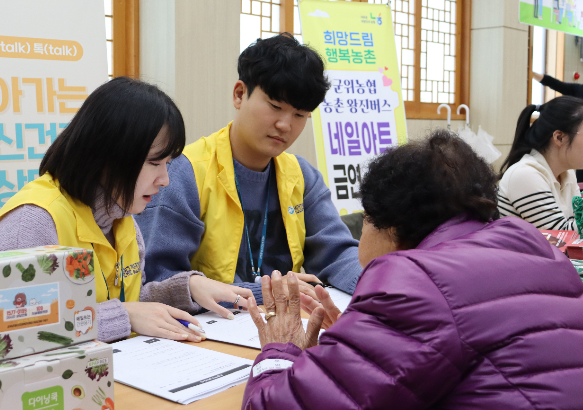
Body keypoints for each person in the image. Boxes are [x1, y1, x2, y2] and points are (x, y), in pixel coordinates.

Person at [241, 130, 583, 410]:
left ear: (388, 224)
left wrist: (280, 350)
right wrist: (360, 340)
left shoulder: (414, 280)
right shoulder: (535, 247)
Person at [0, 77, 253, 344]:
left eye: (167, 163)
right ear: (107, 156)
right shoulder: (35, 222)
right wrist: (124, 316)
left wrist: (187, 287)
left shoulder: (120, 215)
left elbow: (131, 298)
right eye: (154, 163)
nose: (164, 180)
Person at [136, 33, 362, 305]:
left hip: (285, 321)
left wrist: (378, 286)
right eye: (275, 106)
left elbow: (337, 253)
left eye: (300, 115)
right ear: (240, 94)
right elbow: (159, 279)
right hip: (208, 331)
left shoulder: (302, 176)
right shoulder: (184, 173)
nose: (285, 125)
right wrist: (264, 294)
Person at [498, 96, 583, 230]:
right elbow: (560, 235)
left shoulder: (567, 173)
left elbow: (578, 219)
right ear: (559, 138)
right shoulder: (525, 174)